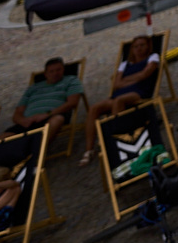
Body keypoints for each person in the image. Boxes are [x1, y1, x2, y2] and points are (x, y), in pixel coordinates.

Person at [80, 33, 162, 165]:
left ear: (148, 46)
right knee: (94, 108)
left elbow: (146, 74)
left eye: (142, 45)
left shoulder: (153, 57)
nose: (139, 49)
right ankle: (89, 150)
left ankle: (114, 139)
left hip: (139, 92)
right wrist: (135, 78)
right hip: (121, 93)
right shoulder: (125, 64)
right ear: (132, 49)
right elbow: (116, 84)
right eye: (136, 46)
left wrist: (126, 80)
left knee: (119, 101)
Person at [10, 57, 83, 140]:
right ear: (45, 74)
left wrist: (47, 114)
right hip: (27, 122)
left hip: (52, 116)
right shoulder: (33, 88)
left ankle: (37, 151)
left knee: (57, 120)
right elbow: (17, 114)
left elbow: (72, 103)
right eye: (51, 71)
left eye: (58, 70)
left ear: (63, 70)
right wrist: (23, 121)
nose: (55, 73)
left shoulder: (71, 80)